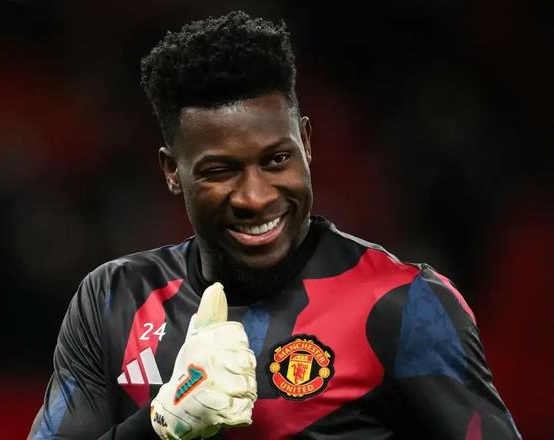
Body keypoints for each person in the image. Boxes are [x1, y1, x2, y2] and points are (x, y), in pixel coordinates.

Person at [28, 11, 521, 439]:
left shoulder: (403, 304)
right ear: (172, 171)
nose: (256, 196)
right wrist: (162, 425)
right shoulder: (113, 300)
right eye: (220, 171)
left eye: (277, 160)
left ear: (306, 142)